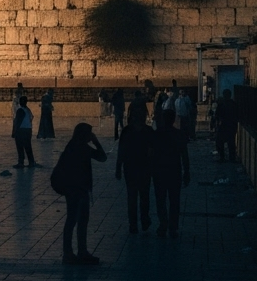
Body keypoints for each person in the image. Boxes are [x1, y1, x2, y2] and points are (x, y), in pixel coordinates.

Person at [51, 124, 107, 264]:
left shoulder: (73, 145)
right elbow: (102, 157)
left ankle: (76, 252)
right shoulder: (81, 147)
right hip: (77, 190)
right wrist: (96, 142)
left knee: (77, 220)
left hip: (75, 189)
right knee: (75, 220)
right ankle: (72, 252)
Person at [116, 99, 154, 234]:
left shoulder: (127, 131)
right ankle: (144, 219)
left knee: (132, 196)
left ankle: (133, 224)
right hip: (144, 168)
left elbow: (121, 151)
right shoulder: (148, 131)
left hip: (130, 168)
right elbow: (153, 152)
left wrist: (118, 168)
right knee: (144, 195)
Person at [152, 110, 190, 238]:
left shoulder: (157, 134)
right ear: (173, 120)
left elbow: (151, 154)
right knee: (174, 200)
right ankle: (173, 226)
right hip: (174, 171)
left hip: (159, 171)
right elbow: (184, 155)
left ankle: (163, 224)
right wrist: (187, 172)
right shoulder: (178, 134)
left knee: (160, 199)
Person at [214, 88, 238, 161]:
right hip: (232, 125)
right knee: (231, 142)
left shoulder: (221, 104)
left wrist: (217, 123)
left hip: (223, 125)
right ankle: (232, 157)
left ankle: (222, 157)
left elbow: (217, 115)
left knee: (220, 141)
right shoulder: (233, 104)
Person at [11, 96, 35, 167]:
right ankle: (31, 162)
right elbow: (31, 118)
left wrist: (14, 131)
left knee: (20, 147)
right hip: (28, 130)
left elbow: (17, 122)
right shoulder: (28, 110)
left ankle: (21, 163)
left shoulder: (20, 110)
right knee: (28, 147)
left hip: (21, 130)